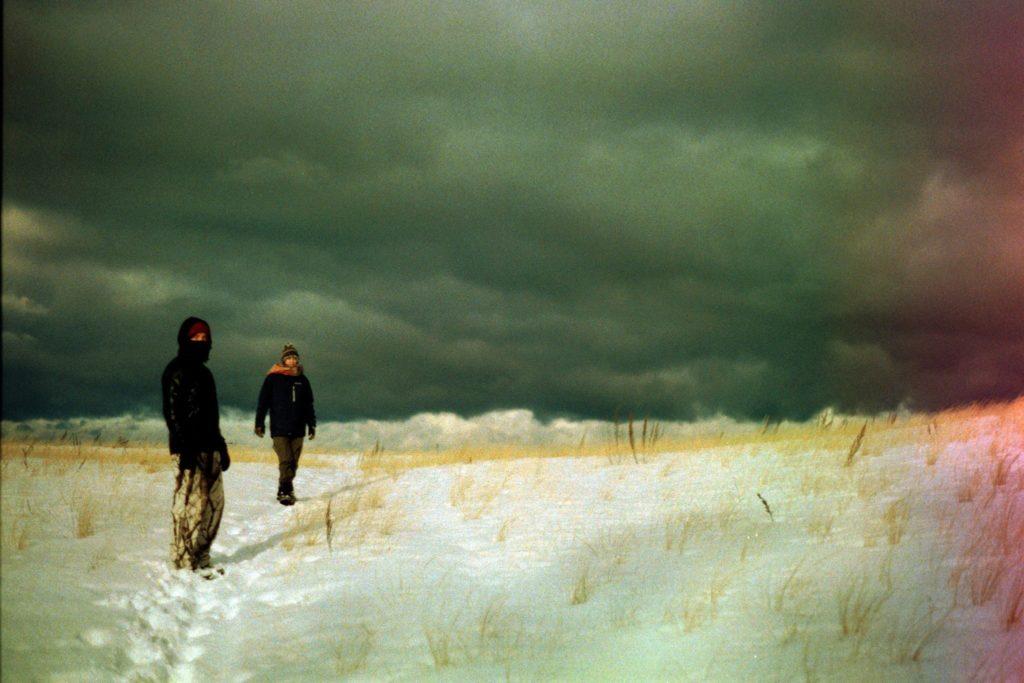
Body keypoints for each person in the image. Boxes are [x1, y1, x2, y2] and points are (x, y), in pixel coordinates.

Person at [161, 316, 230, 574]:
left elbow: (212, 415)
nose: (201, 342)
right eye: (196, 338)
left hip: (210, 446)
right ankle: (183, 560)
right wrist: (183, 446)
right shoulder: (175, 370)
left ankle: (201, 554)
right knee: (189, 506)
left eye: (205, 338)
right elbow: (172, 414)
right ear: (184, 340)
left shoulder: (206, 373)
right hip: (187, 449)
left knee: (214, 504)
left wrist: (221, 445)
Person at [255, 344, 316, 505]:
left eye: (295, 357)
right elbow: (263, 402)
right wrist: (259, 423)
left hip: (298, 428)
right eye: (289, 358)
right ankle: (284, 490)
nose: (292, 360)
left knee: (294, 462)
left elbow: (309, 404)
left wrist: (312, 424)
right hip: (279, 428)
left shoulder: (302, 380)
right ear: (283, 360)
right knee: (286, 459)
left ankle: (286, 488)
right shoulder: (273, 378)